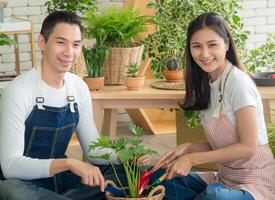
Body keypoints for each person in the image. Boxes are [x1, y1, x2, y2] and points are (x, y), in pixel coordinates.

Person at [0, 11, 129, 200]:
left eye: (76, 44)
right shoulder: (19, 90)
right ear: (42, 42)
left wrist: (125, 157)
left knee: (127, 174)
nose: (69, 52)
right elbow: (10, 166)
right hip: (20, 184)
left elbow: (93, 151)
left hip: (59, 182)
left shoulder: (78, 88)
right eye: (61, 42)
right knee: (13, 191)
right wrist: (69, 164)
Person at [153, 12, 275, 200]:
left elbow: (247, 148)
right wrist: (187, 148)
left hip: (256, 183)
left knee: (214, 196)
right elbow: (226, 143)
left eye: (212, 45)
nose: (204, 54)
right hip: (225, 178)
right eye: (197, 46)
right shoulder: (208, 83)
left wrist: (191, 159)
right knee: (165, 180)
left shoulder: (238, 83)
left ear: (226, 44)